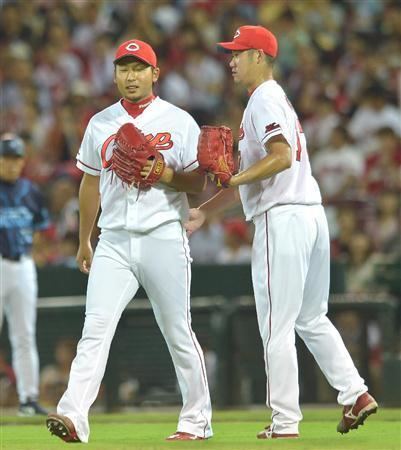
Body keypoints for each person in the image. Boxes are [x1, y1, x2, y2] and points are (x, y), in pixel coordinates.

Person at [186, 25, 378, 439]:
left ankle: (285, 421)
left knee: (276, 325)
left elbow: (281, 157)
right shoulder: (274, 101)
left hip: (284, 220)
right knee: (311, 317)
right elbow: (256, 176)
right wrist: (204, 212)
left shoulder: (263, 99)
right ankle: (355, 393)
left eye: (238, 53)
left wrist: (234, 182)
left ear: (260, 56)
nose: (231, 61)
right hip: (309, 215)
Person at [46, 39, 212, 443]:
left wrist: (168, 175)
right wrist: (86, 239)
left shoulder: (178, 120)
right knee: (95, 328)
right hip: (115, 240)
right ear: (115, 73)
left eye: (139, 68)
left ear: (155, 73)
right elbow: (90, 182)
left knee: (177, 330)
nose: (131, 75)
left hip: (163, 235)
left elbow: (198, 181)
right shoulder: (100, 122)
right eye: (124, 68)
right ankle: (73, 415)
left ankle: (196, 420)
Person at [0, 133, 49, 416]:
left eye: (16, 158)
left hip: (23, 265)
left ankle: (28, 399)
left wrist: (37, 254)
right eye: (6, 158)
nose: (11, 164)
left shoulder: (31, 191)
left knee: (24, 336)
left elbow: (42, 228)